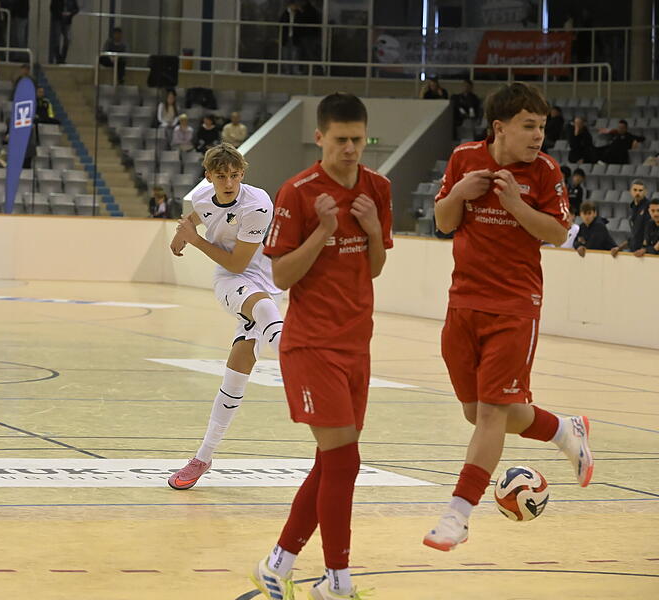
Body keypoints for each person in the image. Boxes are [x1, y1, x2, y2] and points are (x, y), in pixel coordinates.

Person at [424, 82, 593, 553]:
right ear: (500, 127)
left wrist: (517, 206)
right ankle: (563, 429)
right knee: (476, 412)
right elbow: (443, 221)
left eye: (542, 127)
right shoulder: (463, 156)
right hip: (463, 303)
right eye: (529, 126)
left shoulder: (545, 171)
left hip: (516, 306)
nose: (539, 135)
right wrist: (458, 191)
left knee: (493, 414)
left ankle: (457, 514)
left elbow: (558, 232)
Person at [252, 93, 393, 600]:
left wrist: (374, 229)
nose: (352, 149)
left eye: (359, 139)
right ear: (320, 138)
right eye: (341, 140)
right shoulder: (299, 192)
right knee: (344, 461)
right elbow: (281, 274)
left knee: (332, 462)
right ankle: (337, 581)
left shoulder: (378, 189)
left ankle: (277, 564)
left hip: (357, 345)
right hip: (311, 346)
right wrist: (325, 231)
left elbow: (373, 266)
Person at [167, 143, 284, 489]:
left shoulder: (258, 204)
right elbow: (196, 217)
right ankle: (297, 354)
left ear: (242, 174)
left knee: (235, 380)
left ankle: (203, 456)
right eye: (222, 176)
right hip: (230, 282)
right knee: (262, 308)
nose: (229, 182)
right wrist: (181, 237)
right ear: (209, 177)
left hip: (263, 276)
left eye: (234, 175)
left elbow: (239, 260)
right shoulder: (203, 195)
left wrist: (195, 241)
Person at [612, 179, 651, 256]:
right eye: (635, 190)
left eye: (640, 190)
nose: (637, 193)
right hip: (634, 250)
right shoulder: (632, 207)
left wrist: (644, 248)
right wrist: (619, 247)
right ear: (630, 191)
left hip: (646, 252)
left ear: (645, 192)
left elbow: (649, 231)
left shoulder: (649, 207)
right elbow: (634, 234)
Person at [49, 0, 80, 65]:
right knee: (56, 39)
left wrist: (70, 14)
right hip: (57, 19)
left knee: (67, 40)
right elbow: (52, 8)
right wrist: (60, 13)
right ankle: (58, 58)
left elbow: (76, 9)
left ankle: (62, 58)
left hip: (67, 21)